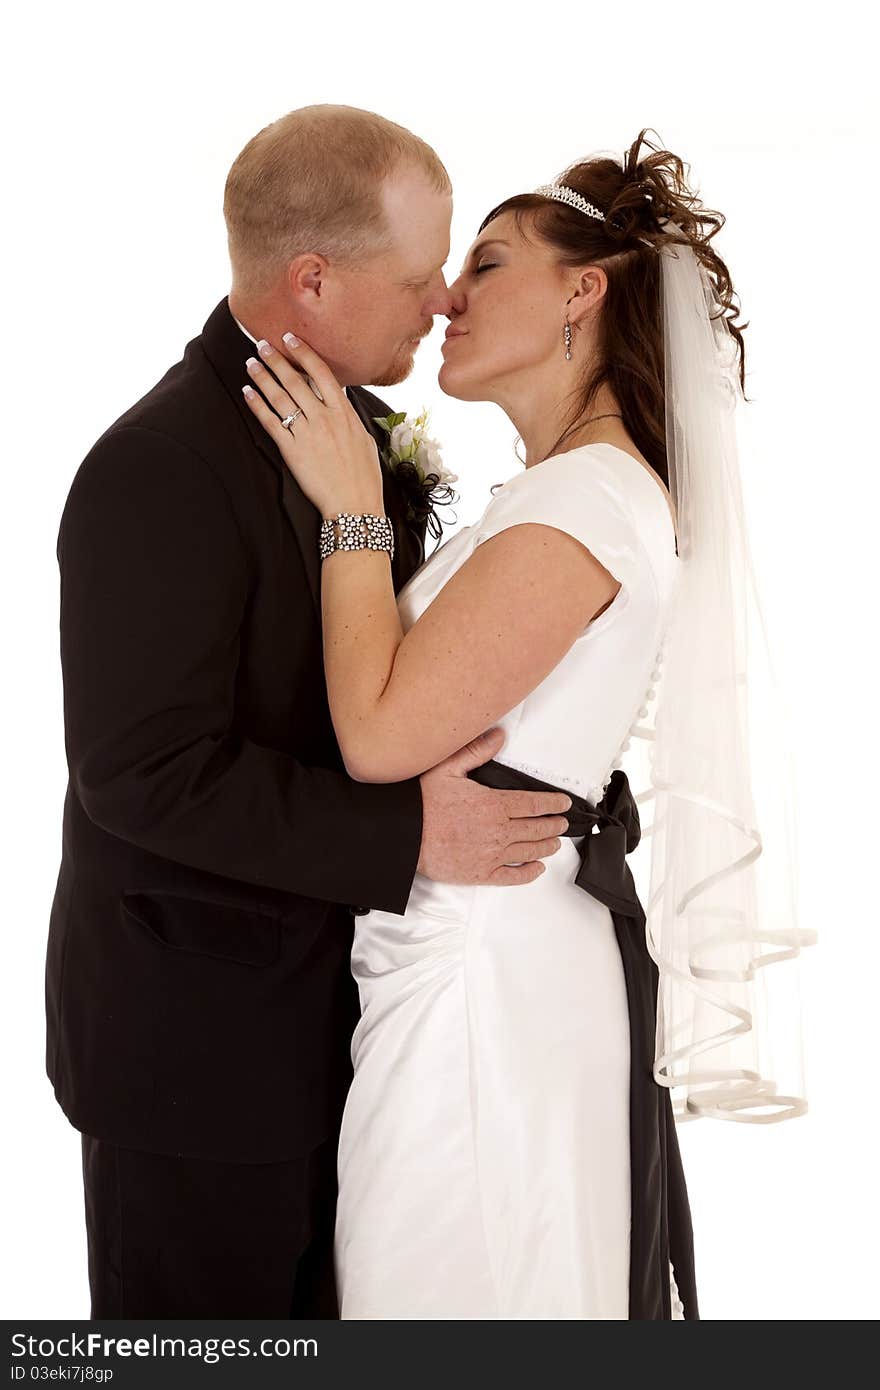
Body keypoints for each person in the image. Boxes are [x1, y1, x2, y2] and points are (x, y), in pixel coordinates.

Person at [45, 104, 574, 1319]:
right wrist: (404, 837)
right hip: (195, 1060)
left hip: (341, 1031)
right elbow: (140, 771)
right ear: (313, 279)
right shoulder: (157, 466)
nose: (443, 300)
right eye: (420, 272)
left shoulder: (352, 438)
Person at [242, 129, 715, 1319]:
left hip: (484, 989)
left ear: (580, 292)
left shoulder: (589, 500)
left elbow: (383, 737)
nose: (449, 293)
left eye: (488, 263)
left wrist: (354, 508)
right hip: (477, 961)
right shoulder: (570, 491)